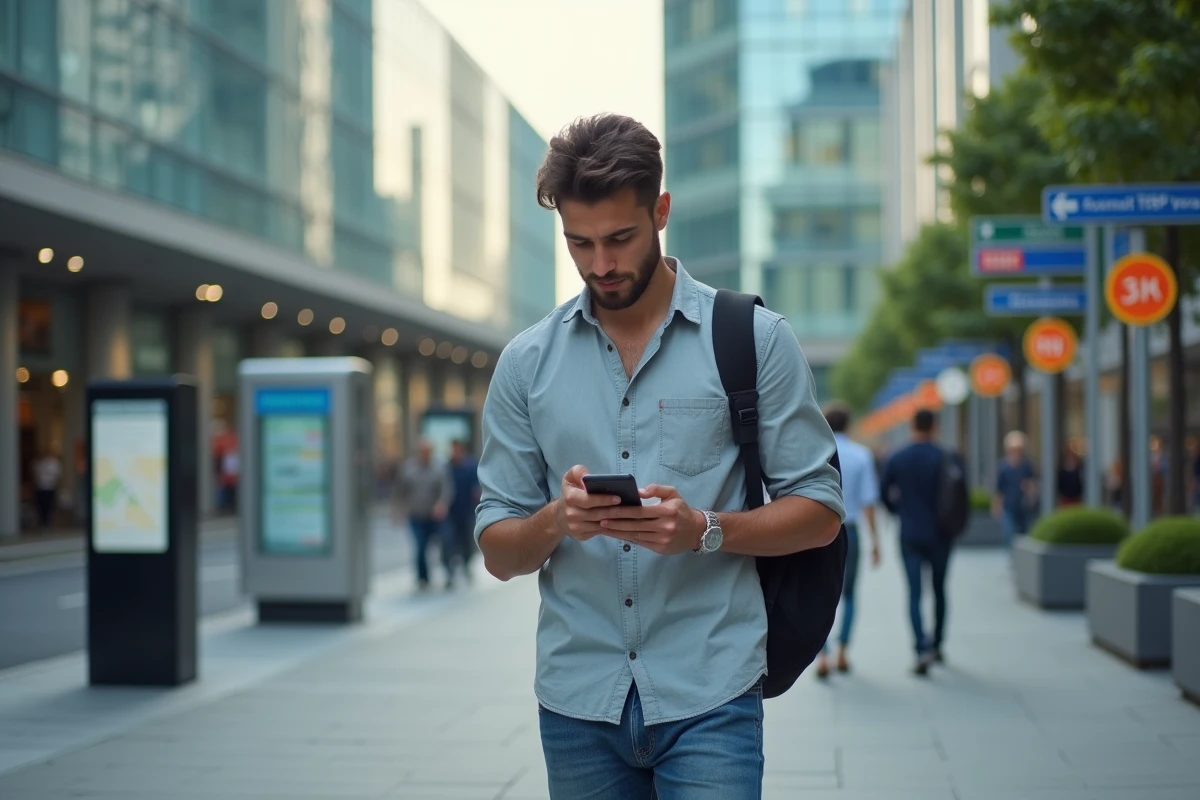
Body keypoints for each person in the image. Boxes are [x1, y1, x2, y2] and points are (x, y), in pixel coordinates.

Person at [473, 113, 844, 799]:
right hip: (578, 701)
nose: (600, 265)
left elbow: (820, 512)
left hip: (712, 690)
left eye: (620, 238)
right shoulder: (526, 364)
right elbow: (498, 552)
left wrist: (705, 529)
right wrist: (558, 519)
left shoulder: (756, 339)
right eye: (579, 243)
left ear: (661, 212)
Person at [881, 409, 961, 676]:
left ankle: (920, 648)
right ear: (935, 426)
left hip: (910, 534)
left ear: (912, 426)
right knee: (939, 589)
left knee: (914, 593)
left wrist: (899, 511)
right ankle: (937, 644)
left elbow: (884, 493)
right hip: (941, 534)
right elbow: (960, 495)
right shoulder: (947, 456)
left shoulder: (898, 457)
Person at [814, 402, 880, 679]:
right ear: (848, 425)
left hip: (818, 531)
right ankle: (842, 651)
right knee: (850, 593)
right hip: (849, 530)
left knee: (818, 595)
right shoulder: (862, 455)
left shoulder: (817, 452)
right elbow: (869, 502)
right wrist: (875, 540)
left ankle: (822, 655)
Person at [395, 439, 454, 591]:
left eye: (427, 452)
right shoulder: (408, 469)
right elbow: (400, 492)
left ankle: (449, 573)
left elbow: (446, 489)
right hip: (416, 516)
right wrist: (399, 510)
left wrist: (442, 504)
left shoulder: (439, 468)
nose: (424, 455)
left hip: (435, 517)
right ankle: (423, 578)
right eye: (421, 452)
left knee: (445, 543)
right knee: (420, 546)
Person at [994, 430, 1036, 547]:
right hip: (1008, 504)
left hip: (1023, 505)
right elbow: (1000, 488)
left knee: (1023, 533)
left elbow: (1032, 483)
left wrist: (1030, 490)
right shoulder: (1003, 467)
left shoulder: (1027, 465)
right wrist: (997, 505)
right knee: (1008, 532)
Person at [447, 439, 481, 580]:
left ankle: (467, 565)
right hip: (451, 512)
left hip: (467, 510)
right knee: (450, 541)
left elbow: (477, 486)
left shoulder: (471, 466)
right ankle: (450, 571)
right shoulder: (447, 467)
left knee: (467, 541)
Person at [32, 450, 62, 528]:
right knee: (41, 505)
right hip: (40, 487)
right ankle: (42, 521)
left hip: (50, 487)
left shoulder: (54, 462)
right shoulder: (39, 462)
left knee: (49, 505)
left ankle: (47, 521)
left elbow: (57, 475)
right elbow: (35, 474)